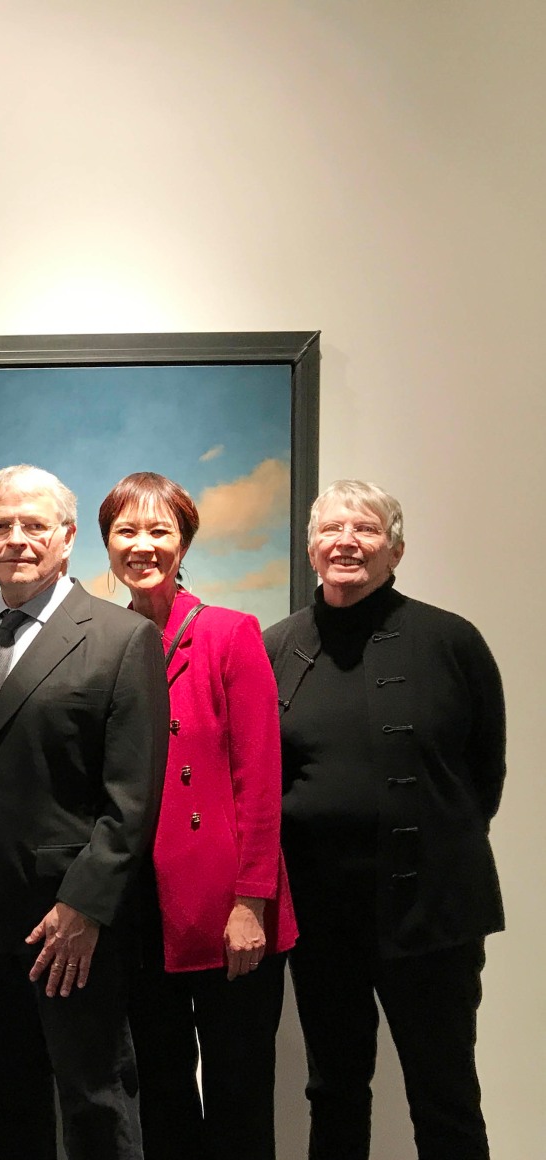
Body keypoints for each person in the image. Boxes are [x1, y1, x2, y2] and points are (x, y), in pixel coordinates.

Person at [0, 464, 168, 1160]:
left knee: (95, 1100)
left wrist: (85, 908)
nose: (17, 539)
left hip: (69, 926)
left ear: (66, 539)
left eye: (35, 525)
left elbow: (133, 797)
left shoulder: (121, 638)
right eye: (0, 525)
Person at [264, 480, 505, 1160]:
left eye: (366, 529)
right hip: (320, 915)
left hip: (433, 910)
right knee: (333, 1088)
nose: (347, 542)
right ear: (311, 546)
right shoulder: (275, 647)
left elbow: (483, 775)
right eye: (332, 529)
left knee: (445, 1091)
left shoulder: (452, 641)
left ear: (395, 550)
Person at [96, 472, 295, 1160]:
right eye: (126, 530)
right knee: (161, 1088)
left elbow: (260, 780)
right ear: (107, 544)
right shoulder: (106, 639)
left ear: (183, 544)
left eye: (159, 530)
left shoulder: (229, 633)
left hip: (227, 905)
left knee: (240, 1093)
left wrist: (251, 903)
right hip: (141, 908)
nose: (142, 545)